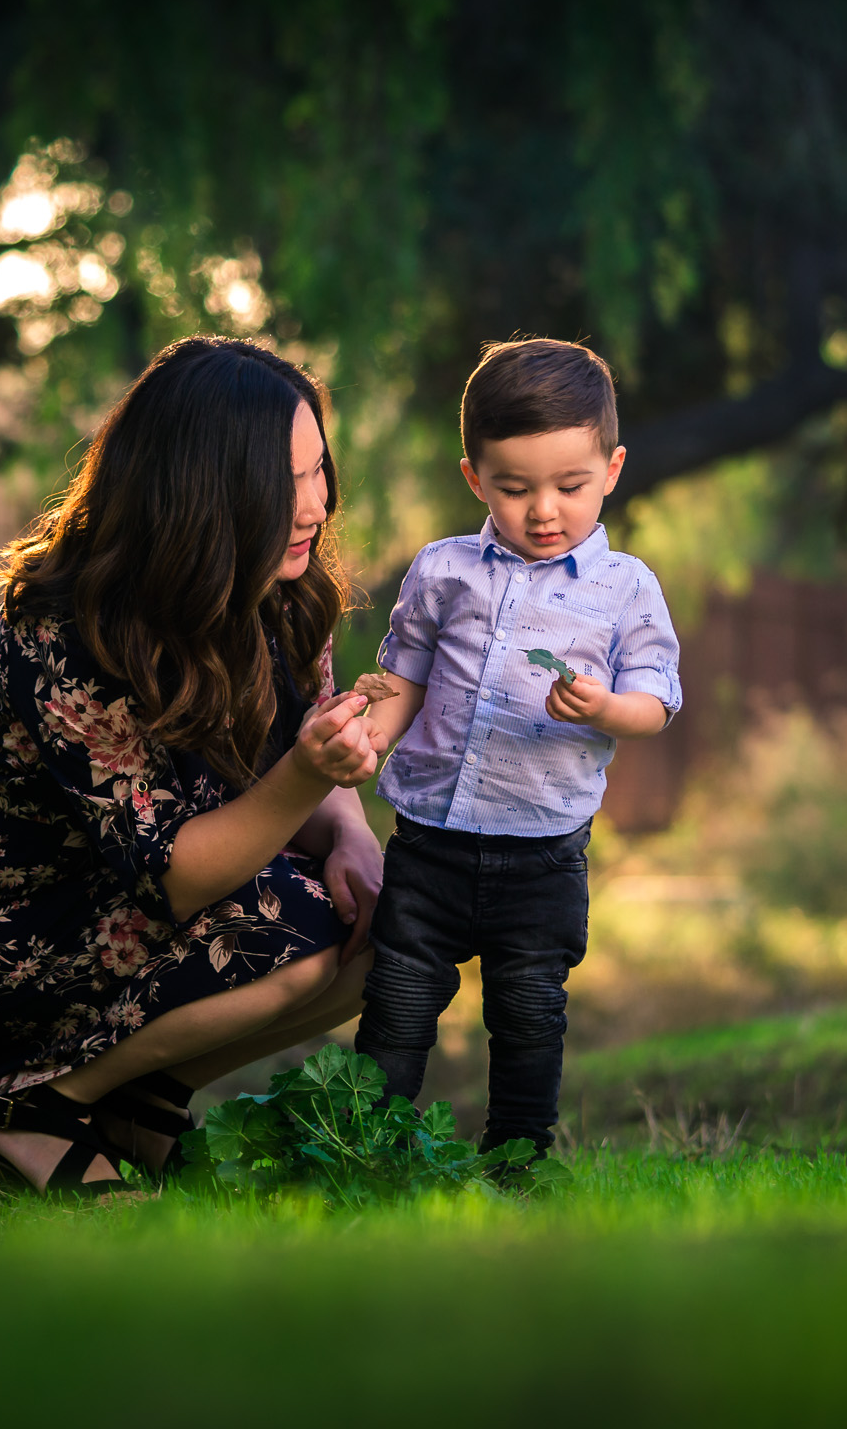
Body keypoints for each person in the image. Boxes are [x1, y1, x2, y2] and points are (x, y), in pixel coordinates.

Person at [0, 337, 386, 1195]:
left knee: (395, 923)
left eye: (318, 471)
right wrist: (311, 779)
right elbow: (176, 878)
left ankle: (139, 1103)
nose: (314, 505)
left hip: (141, 891)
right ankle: (36, 1115)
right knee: (293, 935)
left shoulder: (288, 593)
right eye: (285, 479)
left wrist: (348, 831)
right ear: (206, 484)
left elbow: (303, 752)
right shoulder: (75, 623)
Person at [350, 339, 683, 1161]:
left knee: (529, 1010)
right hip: (429, 839)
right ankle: (365, 1147)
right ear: (474, 478)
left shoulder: (626, 588)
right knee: (397, 999)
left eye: (570, 487)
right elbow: (407, 673)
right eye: (514, 487)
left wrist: (607, 706)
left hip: (541, 853)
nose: (544, 510)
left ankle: (519, 1157)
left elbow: (657, 700)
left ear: (611, 468)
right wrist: (371, 733)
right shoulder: (443, 571)